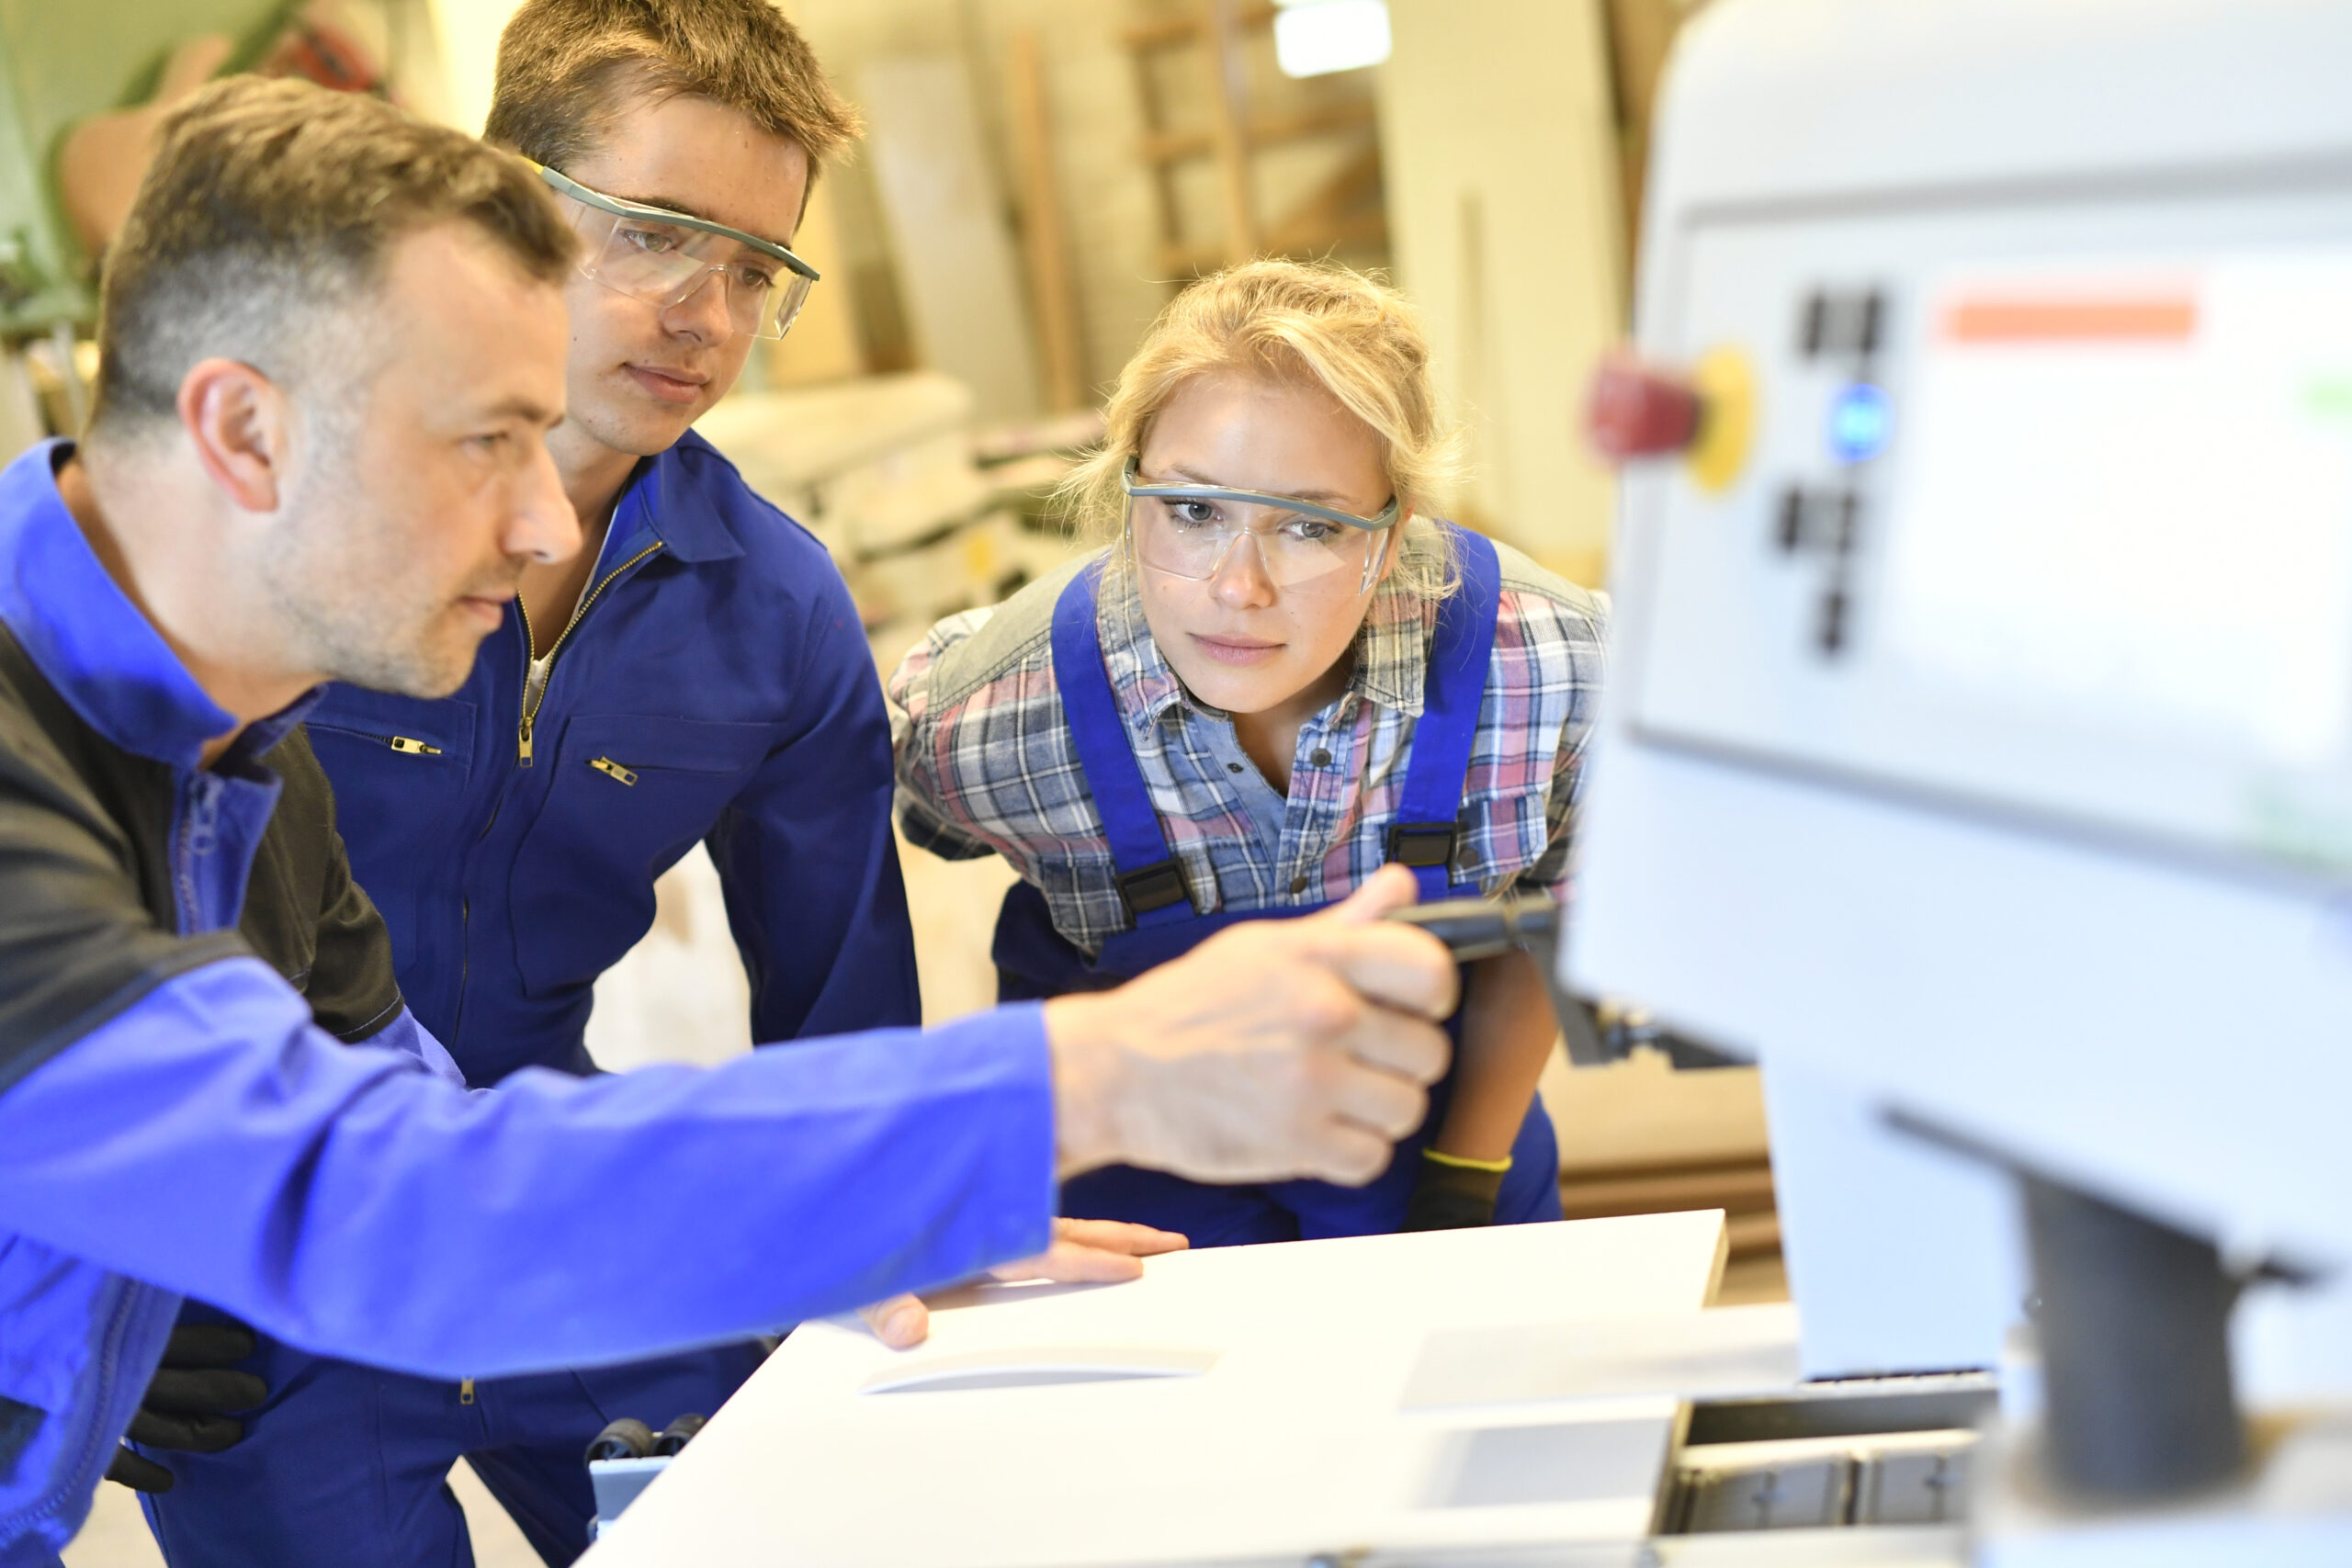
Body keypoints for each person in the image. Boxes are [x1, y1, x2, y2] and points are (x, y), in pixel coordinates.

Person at [0, 79, 1460, 1568]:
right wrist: (1091, 1075)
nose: (547, 522)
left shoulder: (239, 749)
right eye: (483, 442)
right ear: (243, 429)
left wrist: (872, 1215)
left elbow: (421, 1144)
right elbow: (374, 1201)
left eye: (755, 267)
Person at [138, 6, 967, 1563]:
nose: (704, 314)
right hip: (262, 1259)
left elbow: (840, 1024)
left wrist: (875, 1245)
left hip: (553, 1207)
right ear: (499, 198)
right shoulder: (271, 520)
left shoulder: (772, 610)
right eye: (655, 232)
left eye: (754, 269)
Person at [893, 260, 1608, 1246]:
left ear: (1393, 533)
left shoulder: (1546, 676)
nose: (1238, 589)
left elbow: (1552, 923)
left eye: (1309, 526)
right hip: (1138, 1216)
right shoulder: (990, 716)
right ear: (1128, 487)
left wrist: (1460, 1185)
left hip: (1451, 1160)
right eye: (1192, 512)